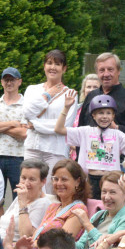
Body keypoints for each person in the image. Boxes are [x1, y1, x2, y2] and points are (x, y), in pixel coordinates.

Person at [56, 90, 125, 199]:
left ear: (113, 116)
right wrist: (66, 108)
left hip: (111, 181)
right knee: (90, 208)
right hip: (89, 180)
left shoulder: (117, 134)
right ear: (93, 115)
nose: (105, 116)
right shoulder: (85, 132)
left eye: (108, 113)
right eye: (101, 113)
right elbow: (59, 129)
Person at [22, 50, 72, 187]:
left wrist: (35, 125)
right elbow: (26, 113)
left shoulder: (70, 93)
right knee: (29, 187)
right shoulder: (32, 89)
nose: (52, 67)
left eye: (57, 64)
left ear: (64, 68)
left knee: (52, 188)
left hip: (55, 149)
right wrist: (47, 95)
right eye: (49, 63)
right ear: (44, 66)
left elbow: (62, 126)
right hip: (32, 146)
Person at [0, 67, 28, 211]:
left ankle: (16, 226)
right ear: (2, 82)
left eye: (12, 79)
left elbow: (24, 133)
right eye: (6, 79)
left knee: (19, 197)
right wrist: (11, 123)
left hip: (18, 157)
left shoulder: (26, 105)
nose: (9, 83)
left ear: (19, 82)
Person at [79, 52, 125, 140]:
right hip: (90, 152)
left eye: (110, 69)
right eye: (102, 70)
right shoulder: (91, 96)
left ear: (118, 71)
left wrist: (117, 128)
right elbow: (81, 128)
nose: (106, 74)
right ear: (97, 73)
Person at [0, 159, 54, 247]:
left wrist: (23, 204)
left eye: (32, 179)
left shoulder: (43, 203)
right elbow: (2, 223)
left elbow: (26, 236)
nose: (26, 183)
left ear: (43, 182)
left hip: (12, 246)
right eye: (23, 178)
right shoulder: (21, 196)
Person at [76, 170, 125, 249]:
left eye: (112, 192)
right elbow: (80, 246)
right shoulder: (98, 215)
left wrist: (88, 225)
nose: (107, 197)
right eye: (104, 192)